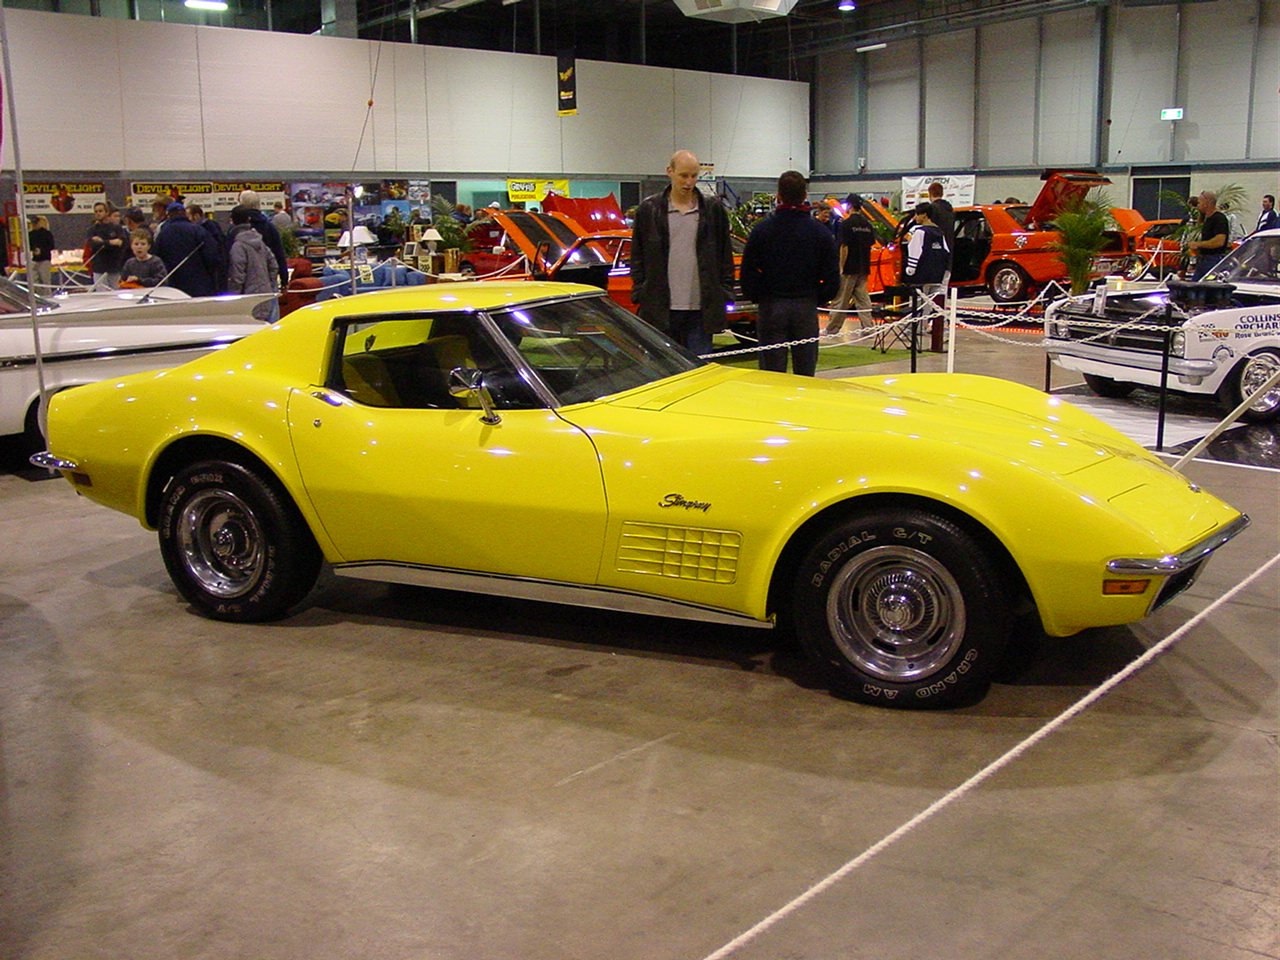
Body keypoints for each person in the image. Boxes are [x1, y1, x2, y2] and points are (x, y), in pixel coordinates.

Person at [629, 148, 735, 356]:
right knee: (663, 371)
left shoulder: (713, 210)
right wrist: (641, 290)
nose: (689, 182)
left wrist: (724, 291)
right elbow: (637, 256)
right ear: (670, 172)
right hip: (660, 308)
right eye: (683, 175)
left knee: (699, 370)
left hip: (701, 310)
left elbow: (725, 256)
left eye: (694, 176)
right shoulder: (648, 210)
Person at [739, 170, 840, 377]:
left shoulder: (762, 230)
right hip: (805, 306)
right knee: (805, 373)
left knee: (771, 375)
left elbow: (747, 273)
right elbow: (832, 278)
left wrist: (760, 295)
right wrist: (816, 296)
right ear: (805, 196)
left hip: (771, 306)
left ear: (778, 196)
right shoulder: (821, 232)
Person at [824, 195, 876, 338]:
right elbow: (870, 245)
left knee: (841, 300)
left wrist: (841, 266)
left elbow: (844, 247)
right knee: (863, 300)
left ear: (850, 206)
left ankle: (831, 329)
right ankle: (868, 328)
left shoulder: (846, 224)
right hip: (863, 266)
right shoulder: (867, 224)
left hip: (849, 267)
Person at [227, 204, 281, 323]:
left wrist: (233, 297)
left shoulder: (238, 245)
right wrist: (269, 284)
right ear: (249, 220)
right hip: (265, 294)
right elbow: (273, 264)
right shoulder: (260, 242)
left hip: (248, 299)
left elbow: (237, 274)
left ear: (233, 221)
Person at [152, 202, 218, 297]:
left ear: (169, 215)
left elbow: (157, 256)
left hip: (173, 284)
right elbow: (211, 255)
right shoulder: (198, 230)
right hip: (199, 282)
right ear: (184, 214)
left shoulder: (163, 233)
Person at [236, 189, 290, 290]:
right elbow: (279, 253)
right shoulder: (269, 226)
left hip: (245, 281)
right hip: (268, 279)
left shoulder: (238, 227)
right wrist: (284, 279)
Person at [902, 201, 949, 304]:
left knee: (918, 306)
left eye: (917, 214)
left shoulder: (920, 232)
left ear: (924, 215)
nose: (915, 217)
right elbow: (945, 252)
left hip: (921, 276)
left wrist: (910, 269)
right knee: (932, 305)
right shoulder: (939, 232)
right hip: (937, 275)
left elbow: (915, 251)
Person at [85, 202, 130, 290]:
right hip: (99, 268)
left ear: (106, 212)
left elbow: (121, 243)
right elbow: (93, 245)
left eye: (100, 211)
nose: (98, 213)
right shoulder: (92, 230)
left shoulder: (117, 228)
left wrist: (103, 242)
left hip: (114, 267)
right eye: (96, 211)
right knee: (101, 295)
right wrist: (111, 243)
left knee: (116, 292)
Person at [1188, 190, 1230, 280]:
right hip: (1204, 259)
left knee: (1205, 284)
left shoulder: (1219, 219)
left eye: (1199, 202)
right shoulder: (1208, 219)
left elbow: (1219, 241)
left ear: (1207, 203)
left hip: (1213, 259)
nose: (1197, 205)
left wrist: (1198, 244)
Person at [187, 204, 228, 291]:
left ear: (196, 216)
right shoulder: (208, 227)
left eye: (188, 216)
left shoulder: (208, 228)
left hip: (214, 271)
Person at [927, 181, 955, 285]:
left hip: (935, 252)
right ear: (942, 193)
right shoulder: (950, 210)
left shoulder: (932, 209)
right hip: (949, 249)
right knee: (944, 284)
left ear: (930, 194)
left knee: (933, 287)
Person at [27, 215, 55, 292]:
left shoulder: (47, 233)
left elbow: (51, 246)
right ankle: (39, 295)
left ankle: (47, 296)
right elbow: (28, 246)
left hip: (45, 259)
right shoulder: (30, 234)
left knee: (45, 280)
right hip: (35, 259)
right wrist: (34, 250)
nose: (34, 225)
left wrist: (41, 250)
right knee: (33, 280)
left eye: (35, 223)